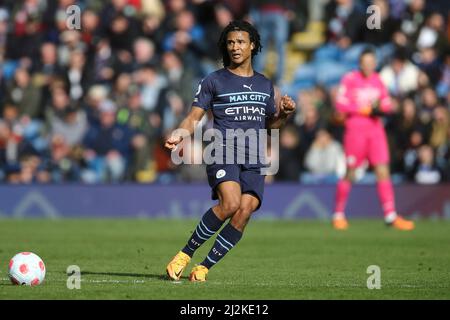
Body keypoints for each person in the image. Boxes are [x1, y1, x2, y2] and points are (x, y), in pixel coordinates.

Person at [164, 20, 296, 282]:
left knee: (245, 210)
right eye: (231, 42)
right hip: (223, 149)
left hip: (255, 156)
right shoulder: (214, 80)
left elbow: (271, 126)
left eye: (241, 42)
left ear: (253, 45)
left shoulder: (265, 84)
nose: (235, 47)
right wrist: (180, 133)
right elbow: (193, 117)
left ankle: (203, 268)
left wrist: (286, 114)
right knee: (231, 203)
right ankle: (185, 254)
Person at [333, 48, 415, 231]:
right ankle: (338, 214)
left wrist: (382, 109)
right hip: (355, 130)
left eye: (372, 62)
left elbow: (386, 103)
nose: (369, 65)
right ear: (360, 63)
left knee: (383, 170)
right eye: (365, 62)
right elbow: (341, 104)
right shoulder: (350, 79)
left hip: (376, 131)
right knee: (351, 172)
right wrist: (363, 109)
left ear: (375, 63)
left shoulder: (378, 80)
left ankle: (390, 215)